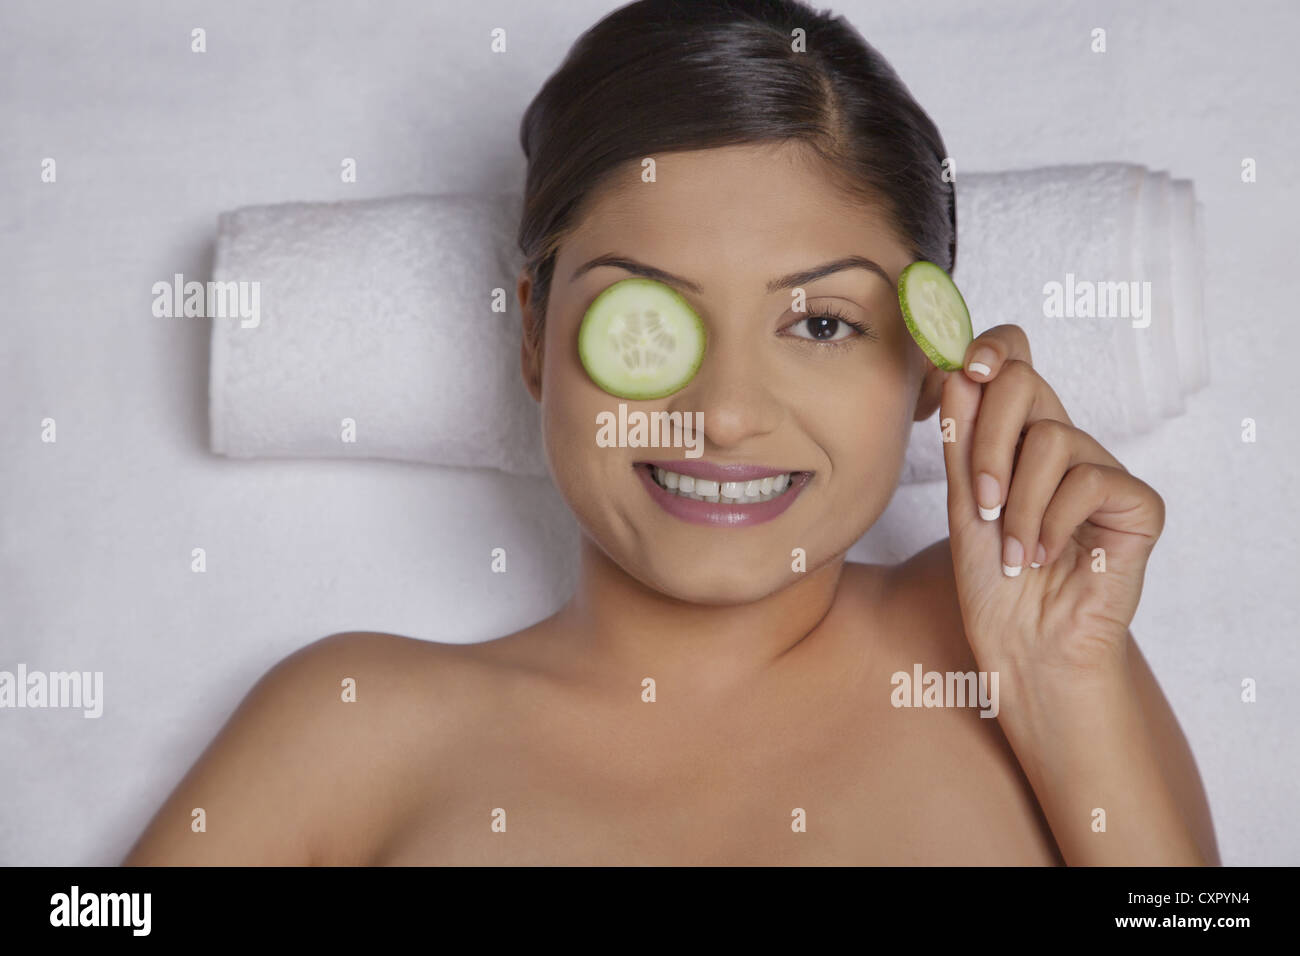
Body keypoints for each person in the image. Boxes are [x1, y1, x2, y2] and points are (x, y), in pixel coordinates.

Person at [123, 0, 1219, 866]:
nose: (728, 408)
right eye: (647, 318)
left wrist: (1062, 699)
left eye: (822, 322)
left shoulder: (1022, 659)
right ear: (533, 341)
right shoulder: (349, 723)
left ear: (933, 368)